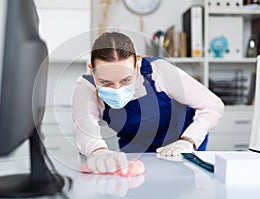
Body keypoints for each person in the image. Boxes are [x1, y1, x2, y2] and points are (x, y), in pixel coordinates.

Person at [72, 32, 224, 174]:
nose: (117, 89)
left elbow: (212, 105)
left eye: (126, 80)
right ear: (92, 70)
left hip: (181, 148)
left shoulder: (159, 72)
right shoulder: (86, 87)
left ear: (137, 65)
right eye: (106, 82)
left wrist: (188, 141)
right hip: (136, 151)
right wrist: (98, 151)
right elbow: (84, 125)